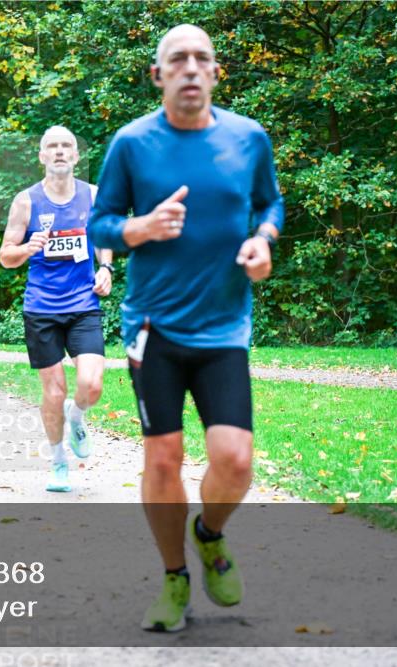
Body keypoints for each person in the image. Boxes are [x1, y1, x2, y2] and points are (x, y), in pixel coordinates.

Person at [88, 24, 284, 632]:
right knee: (164, 460)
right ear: (159, 75)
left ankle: (209, 534)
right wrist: (137, 230)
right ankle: (174, 578)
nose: (191, 68)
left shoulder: (248, 138)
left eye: (203, 59)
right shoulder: (132, 143)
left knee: (236, 460)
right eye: (178, 60)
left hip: (224, 327)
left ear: (217, 72)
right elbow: (99, 224)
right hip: (155, 327)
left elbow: (269, 204)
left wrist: (262, 240)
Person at [0, 125, 114, 494]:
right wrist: (27, 247)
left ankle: (77, 417)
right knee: (53, 391)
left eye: (67, 146)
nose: (61, 151)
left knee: (91, 385)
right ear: (42, 156)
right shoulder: (26, 201)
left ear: (76, 156)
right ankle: (59, 462)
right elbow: (6, 257)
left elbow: (105, 240)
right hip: (41, 308)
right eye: (53, 146)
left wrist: (106, 268)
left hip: (83, 304)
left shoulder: (94, 195)